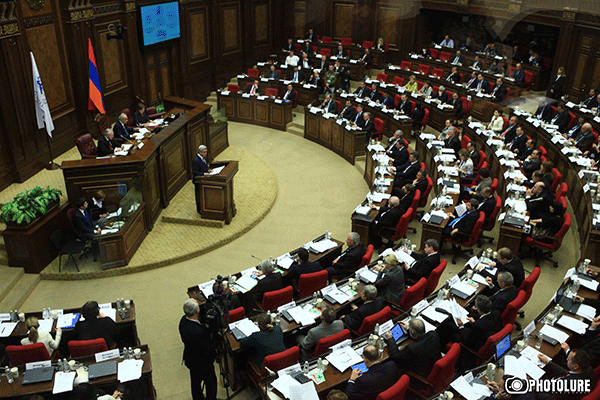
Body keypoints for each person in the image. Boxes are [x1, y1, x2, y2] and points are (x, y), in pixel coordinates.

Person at [179, 299, 217, 400]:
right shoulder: (198, 332)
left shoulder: (183, 320)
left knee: (195, 383)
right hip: (203, 363)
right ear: (197, 310)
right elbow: (208, 348)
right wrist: (217, 339)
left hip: (190, 359)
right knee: (211, 384)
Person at [192, 145, 213, 214]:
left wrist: (208, 170)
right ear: (200, 152)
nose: (206, 153)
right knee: (199, 195)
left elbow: (205, 166)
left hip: (204, 180)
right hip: (198, 181)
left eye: (206, 152)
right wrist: (204, 173)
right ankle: (199, 209)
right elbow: (194, 172)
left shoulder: (203, 158)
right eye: (204, 152)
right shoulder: (196, 160)